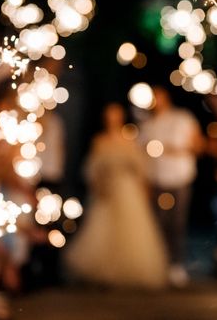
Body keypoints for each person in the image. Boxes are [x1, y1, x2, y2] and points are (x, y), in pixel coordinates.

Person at [64, 103, 168, 289]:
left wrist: (144, 188)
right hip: (107, 189)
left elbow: (140, 168)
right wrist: (98, 185)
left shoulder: (129, 140)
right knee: (103, 228)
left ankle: (129, 270)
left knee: (130, 230)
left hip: (127, 190)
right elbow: (92, 168)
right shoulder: (100, 141)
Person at [139, 85, 204, 287]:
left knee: (177, 223)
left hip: (180, 178)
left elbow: (198, 145)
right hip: (157, 179)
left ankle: (176, 265)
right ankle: (159, 265)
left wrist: (176, 149)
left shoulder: (183, 118)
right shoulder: (147, 124)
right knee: (159, 224)